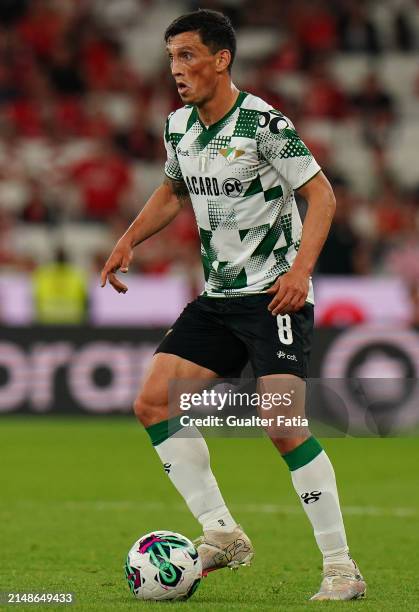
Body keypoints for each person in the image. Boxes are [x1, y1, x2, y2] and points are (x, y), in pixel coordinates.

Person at [101, 9, 366, 601]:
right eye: (172, 57)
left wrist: (301, 272)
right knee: (151, 403)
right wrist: (128, 239)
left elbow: (320, 194)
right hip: (219, 298)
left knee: (281, 424)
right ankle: (221, 531)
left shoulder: (263, 123)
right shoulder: (179, 127)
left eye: (188, 56)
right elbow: (173, 190)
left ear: (222, 59)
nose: (177, 69)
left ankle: (342, 568)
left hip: (274, 294)